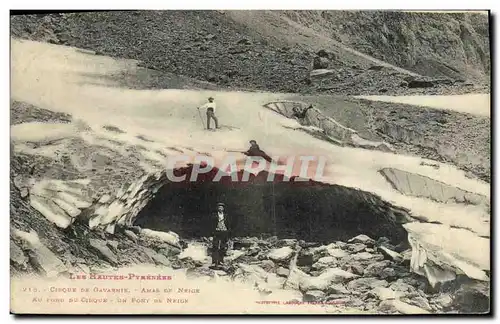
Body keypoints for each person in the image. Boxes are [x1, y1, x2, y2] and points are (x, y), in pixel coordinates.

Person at [210, 202, 231, 268]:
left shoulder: (226, 215)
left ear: (223, 208)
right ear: (217, 208)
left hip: (224, 232)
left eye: (221, 207)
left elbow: (228, 224)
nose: (220, 208)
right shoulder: (214, 215)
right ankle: (214, 262)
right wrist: (211, 234)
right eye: (219, 207)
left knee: (223, 247)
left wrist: (228, 232)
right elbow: (211, 225)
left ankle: (220, 261)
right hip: (217, 232)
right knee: (215, 247)